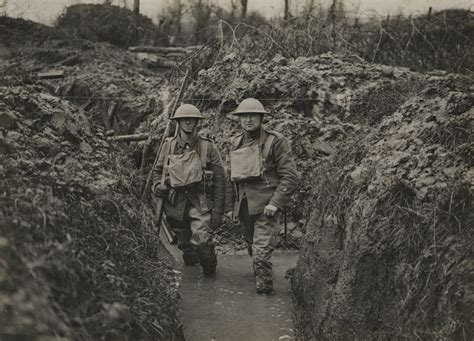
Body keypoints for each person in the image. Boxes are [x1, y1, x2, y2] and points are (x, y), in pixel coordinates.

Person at [226, 98, 299, 294]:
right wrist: (230, 207)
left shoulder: (275, 141)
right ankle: (260, 274)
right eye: (244, 116)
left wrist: (275, 203)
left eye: (252, 115)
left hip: (266, 208)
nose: (248, 119)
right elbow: (232, 178)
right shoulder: (235, 142)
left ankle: (265, 292)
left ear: (261, 118)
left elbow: (290, 177)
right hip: (244, 207)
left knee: (260, 253)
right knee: (252, 248)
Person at [152, 104, 226, 276]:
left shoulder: (208, 147)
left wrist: (219, 212)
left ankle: (209, 278)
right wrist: (158, 186)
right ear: (178, 122)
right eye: (184, 119)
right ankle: (191, 278)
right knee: (186, 247)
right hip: (175, 204)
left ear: (197, 122)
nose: (187, 122)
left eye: (191, 119)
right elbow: (158, 171)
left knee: (203, 240)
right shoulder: (168, 146)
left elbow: (221, 180)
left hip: (199, 202)